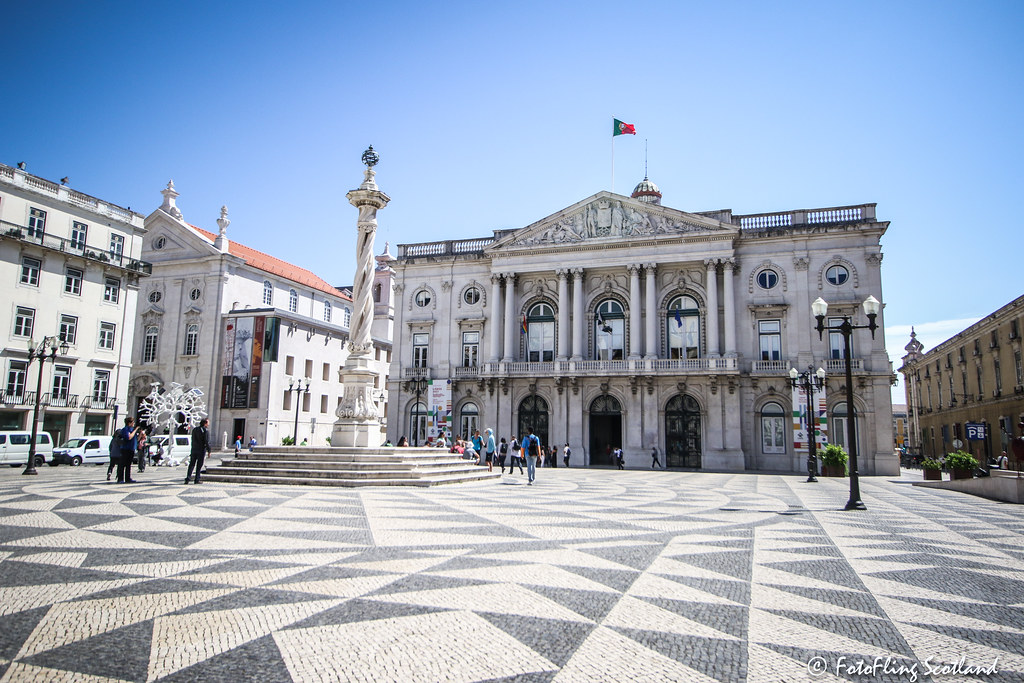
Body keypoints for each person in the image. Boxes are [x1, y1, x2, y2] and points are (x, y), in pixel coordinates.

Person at [185, 418, 212, 485]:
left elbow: (192, 439)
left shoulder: (194, 429)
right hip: (201, 450)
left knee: (191, 464)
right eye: (208, 422)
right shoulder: (205, 431)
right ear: (205, 423)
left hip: (194, 449)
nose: (209, 424)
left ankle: (187, 479)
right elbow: (207, 441)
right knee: (199, 465)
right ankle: (197, 479)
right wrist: (209, 451)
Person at [115, 417, 140, 483]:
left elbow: (136, 439)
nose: (134, 423)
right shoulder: (125, 429)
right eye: (133, 422)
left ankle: (128, 478)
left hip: (131, 449)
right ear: (129, 423)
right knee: (122, 464)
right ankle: (120, 479)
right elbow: (129, 437)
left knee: (128, 465)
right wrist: (135, 430)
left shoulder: (131, 429)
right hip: (125, 449)